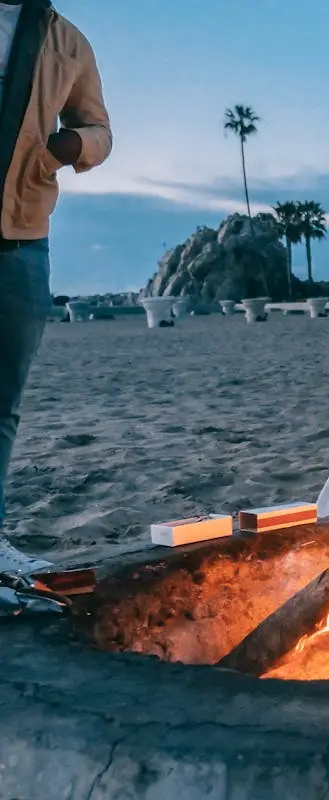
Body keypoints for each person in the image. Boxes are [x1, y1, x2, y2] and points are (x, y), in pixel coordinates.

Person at [0, 0, 112, 576]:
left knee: (2, 404)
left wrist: (64, 150)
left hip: (20, 238)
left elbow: (98, 128)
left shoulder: (67, 42)